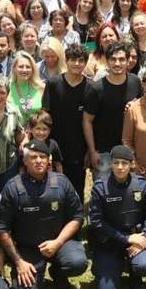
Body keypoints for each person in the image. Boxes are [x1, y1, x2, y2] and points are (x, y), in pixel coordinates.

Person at [0, 139, 87, 289]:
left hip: (57, 243)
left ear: (48, 160)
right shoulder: (12, 188)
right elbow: (2, 228)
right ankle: (37, 276)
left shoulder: (61, 182)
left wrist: (58, 242)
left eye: (43, 157)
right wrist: (18, 262)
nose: (38, 161)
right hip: (27, 249)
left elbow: (77, 216)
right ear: (25, 161)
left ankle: (58, 273)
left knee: (77, 262)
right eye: (34, 157)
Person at [87, 144, 146, 289]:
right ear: (111, 163)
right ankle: (109, 266)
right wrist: (125, 239)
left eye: (124, 163)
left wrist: (144, 237)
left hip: (136, 240)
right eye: (116, 162)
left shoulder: (142, 185)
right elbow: (96, 221)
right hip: (110, 242)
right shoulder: (100, 187)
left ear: (131, 164)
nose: (120, 167)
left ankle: (135, 272)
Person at [83, 42, 143, 179]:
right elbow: (87, 121)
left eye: (122, 59)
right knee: (104, 193)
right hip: (104, 152)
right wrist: (92, 151)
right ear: (107, 61)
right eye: (113, 59)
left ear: (128, 61)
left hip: (130, 150)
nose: (117, 63)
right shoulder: (96, 89)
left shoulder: (136, 83)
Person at [42, 44, 91, 194]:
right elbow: (45, 115)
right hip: (55, 146)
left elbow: (92, 122)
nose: (77, 64)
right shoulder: (53, 84)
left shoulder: (91, 87)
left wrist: (90, 149)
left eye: (81, 60)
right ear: (66, 61)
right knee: (53, 187)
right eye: (73, 60)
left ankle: (77, 217)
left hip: (79, 148)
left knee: (76, 188)